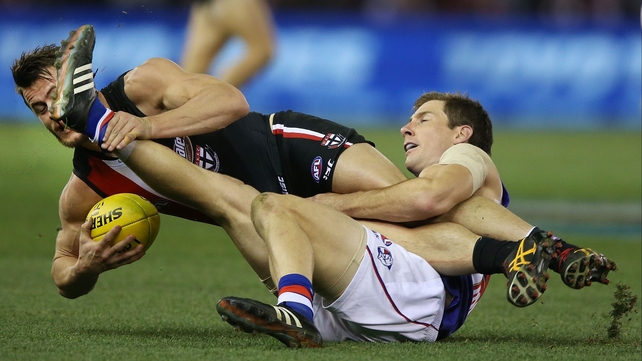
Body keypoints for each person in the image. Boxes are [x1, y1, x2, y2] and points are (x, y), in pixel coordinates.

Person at [12, 24, 404, 299]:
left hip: (287, 151)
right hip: (256, 225)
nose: (52, 114)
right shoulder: (87, 187)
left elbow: (232, 101)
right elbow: (63, 271)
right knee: (343, 303)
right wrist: (85, 269)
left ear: (83, 83)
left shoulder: (142, 85)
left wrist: (148, 126)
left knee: (405, 204)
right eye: (40, 108)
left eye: (57, 97)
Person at [180, 0, 276, 88]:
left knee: (189, 76)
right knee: (261, 51)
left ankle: (196, 101)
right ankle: (214, 98)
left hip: (206, 5)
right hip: (233, 3)